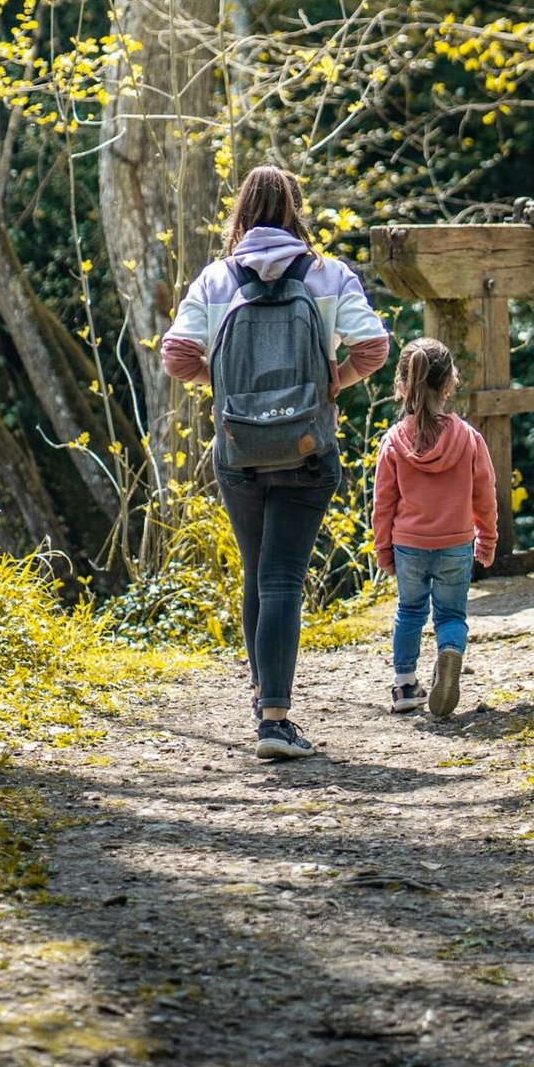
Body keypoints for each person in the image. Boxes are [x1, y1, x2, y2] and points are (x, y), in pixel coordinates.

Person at [163, 165, 389, 761]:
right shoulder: (327, 274)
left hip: (238, 451)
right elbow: (375, 347)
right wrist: (330, 384)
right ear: (296, 210)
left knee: (256, 570)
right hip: (308, 447)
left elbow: (175, 354)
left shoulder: (216, 278)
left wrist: (226, 390)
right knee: (283, 575)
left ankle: (265, 697)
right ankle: (275, 719)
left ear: (241, 212)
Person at [372, 336, 497, 720]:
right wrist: (487, 541)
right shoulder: (469, 439)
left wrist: (383, 550)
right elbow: (485, 495)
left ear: (401, 386)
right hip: (456, 543)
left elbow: (383, 503)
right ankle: (450, 652)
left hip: (409, 545)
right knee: (451, 616)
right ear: (449, 385)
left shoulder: (394, 442)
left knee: (409, 611)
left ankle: (406, 686)